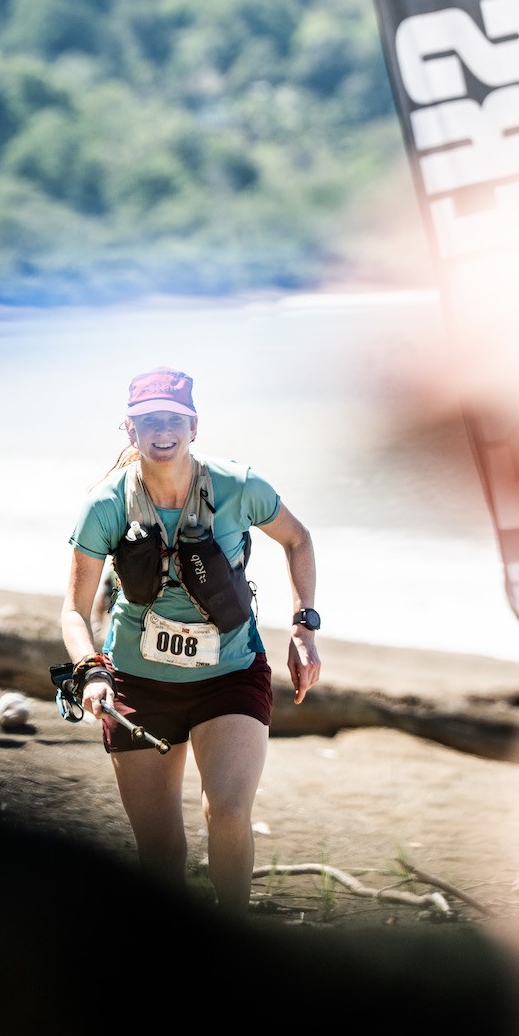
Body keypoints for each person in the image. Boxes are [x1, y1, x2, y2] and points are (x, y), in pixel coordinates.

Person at [60, 368, 320, 907]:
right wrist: (90, 671)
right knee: (160, 850)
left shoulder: (239, 486)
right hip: (137, 683)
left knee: (227, 813)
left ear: (193, 426)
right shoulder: (105, 504)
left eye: (173, 419)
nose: (162, 430)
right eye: (148, 420)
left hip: (229, 674)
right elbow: (73, 611)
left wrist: (304, 625)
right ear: (130, 430)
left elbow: (298, 539)